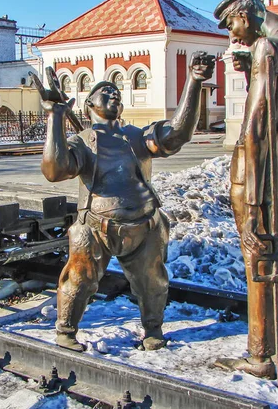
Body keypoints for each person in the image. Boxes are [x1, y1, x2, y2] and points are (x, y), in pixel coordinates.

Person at [36, 53, 215, 352]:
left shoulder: (136, 136)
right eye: (104, 93)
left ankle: (153, 330)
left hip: (145, 226)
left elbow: (177, 134)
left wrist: (194, 83)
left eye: (116, 92)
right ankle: (66, 332)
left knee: (153, 283)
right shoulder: (83, 140)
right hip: (95, 228)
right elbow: (54, 170)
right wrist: (54, 114)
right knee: (78, 281)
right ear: (89, 105)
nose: (113, 94)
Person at [213, 0, 278, 379]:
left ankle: (259, 355)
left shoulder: (265, 50)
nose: (233, 35)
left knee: (257, 258)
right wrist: (249, 71)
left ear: (247, 12)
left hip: (256, 169)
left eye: (232, 25)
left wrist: (253, 202)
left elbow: (256, 126)